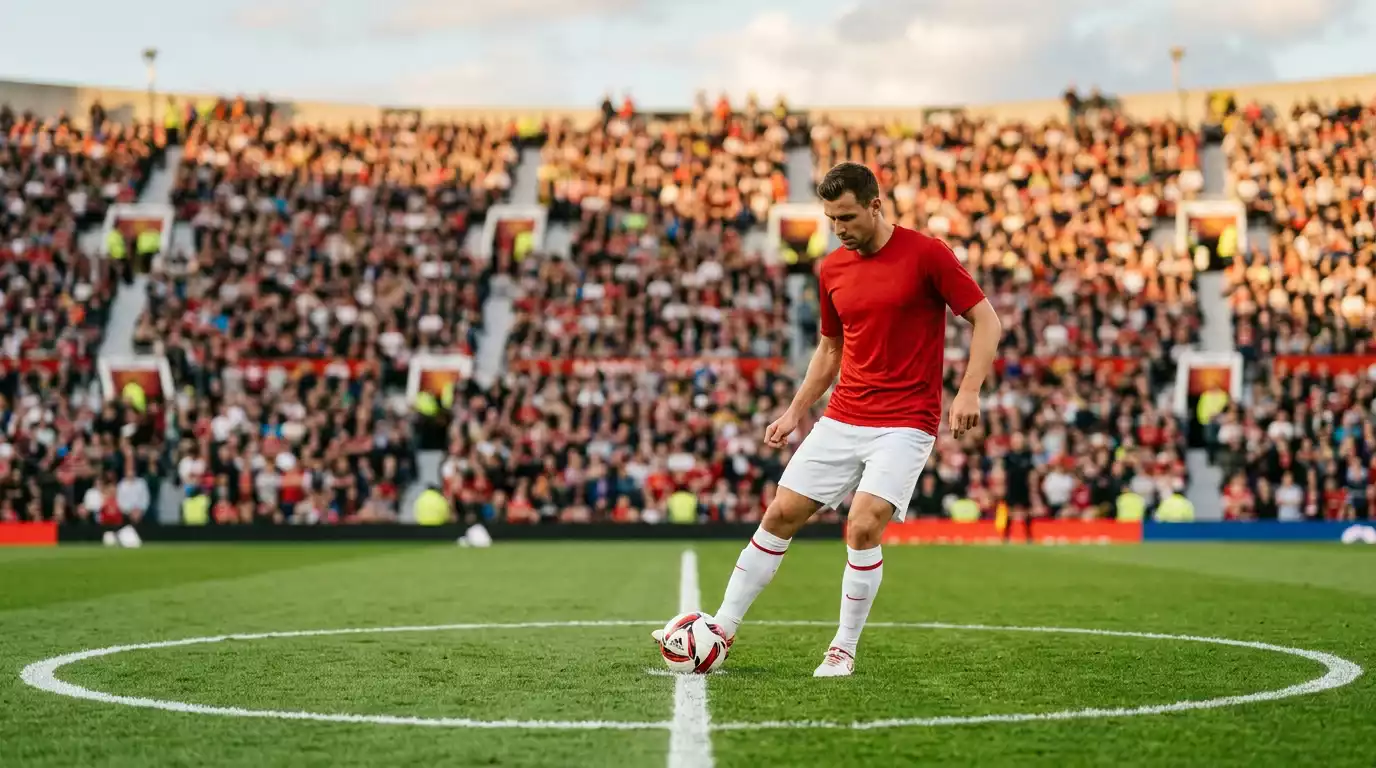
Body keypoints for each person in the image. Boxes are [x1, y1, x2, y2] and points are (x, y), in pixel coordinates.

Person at [652, 162, 1002, 677]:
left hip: (905, 422)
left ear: (875, 206)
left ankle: (842, 647)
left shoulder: (928, 254)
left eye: (847, 217)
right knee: (779, 515)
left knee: (861, 526)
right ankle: (722, 628)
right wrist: (796, 409)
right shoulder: (832, 268)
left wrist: (968, 390)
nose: (839, 229)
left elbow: (986, 319)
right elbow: (831, 347)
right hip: (843, 416)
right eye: (830, 219)